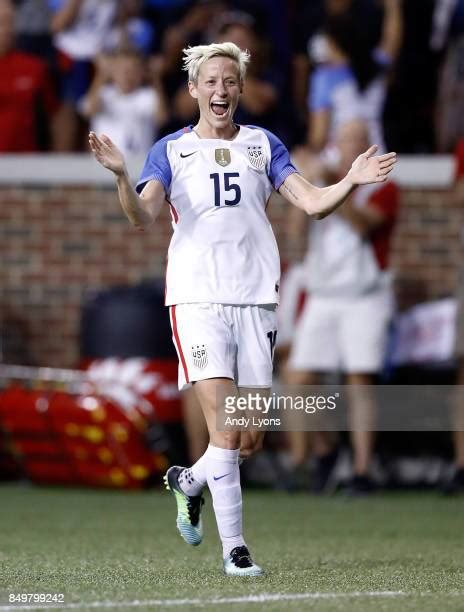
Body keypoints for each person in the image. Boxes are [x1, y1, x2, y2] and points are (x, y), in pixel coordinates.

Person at [89, 41, 396, 576]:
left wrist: (349, 180)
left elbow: (312, 203)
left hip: (256, 300)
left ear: (240, 88)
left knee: (249, 438)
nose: (221, 90)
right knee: (227, 431)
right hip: (197, 297)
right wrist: (120, 174)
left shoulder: (263, 144)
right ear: (193, 90)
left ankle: (190, 480)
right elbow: (142, 216)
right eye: (210, 81)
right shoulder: (170, 150)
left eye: (229, 81)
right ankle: (236, 551)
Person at [285, 119, 399, 494]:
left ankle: (362, 471)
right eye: (345, 140)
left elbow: (363, 224)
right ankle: (326, 448)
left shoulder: (385, 187)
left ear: (370, 145)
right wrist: (306, 190)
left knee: (359, 380)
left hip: (364, 295)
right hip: (323, 292)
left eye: (358, 141)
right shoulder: (324, 183)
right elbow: (296, 233)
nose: (350, 146)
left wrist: (339, 179)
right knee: (299, 379)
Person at [80, 47, 167, 157]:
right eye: (121, 70)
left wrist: (155, 77)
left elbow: (162, 118)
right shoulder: (103, 94)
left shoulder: (148, 95)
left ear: (142, 73)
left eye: (133, 70)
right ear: (113, 72)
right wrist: (101, 75)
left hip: (140, 165)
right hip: (104, 165)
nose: (127, 75)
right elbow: (88, 111)